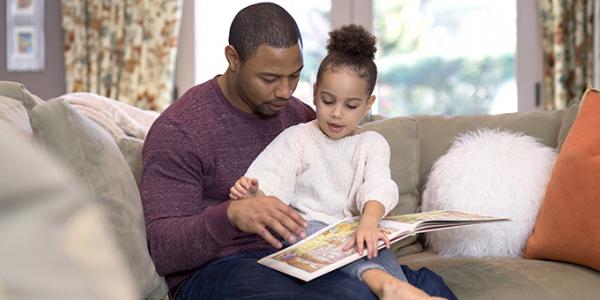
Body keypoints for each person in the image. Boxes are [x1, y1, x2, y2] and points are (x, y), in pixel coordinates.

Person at [141, 3, 382, 299]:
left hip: (297, 257)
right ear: (233, 58)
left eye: (294, 76)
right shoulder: (180, 129)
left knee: (424, 284)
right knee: (352, 294)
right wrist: (230, 215)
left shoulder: (300, 116)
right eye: (269, 79)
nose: (285, 91)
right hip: (216, 270)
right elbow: (164, 249)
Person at [229, 25, 456, 300]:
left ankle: (394, 287)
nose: (336, 114)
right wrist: (255, 194)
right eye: (327, 101)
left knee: (373, 245)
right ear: (314, 93)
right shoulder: (298, 138)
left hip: (356, 233)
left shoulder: (372, 143)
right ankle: (388, 286)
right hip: (307, 237)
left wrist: (370, 223)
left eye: (350, 106)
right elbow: (271, 182)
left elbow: (378, 185)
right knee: (301, 228)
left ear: (368, 104)